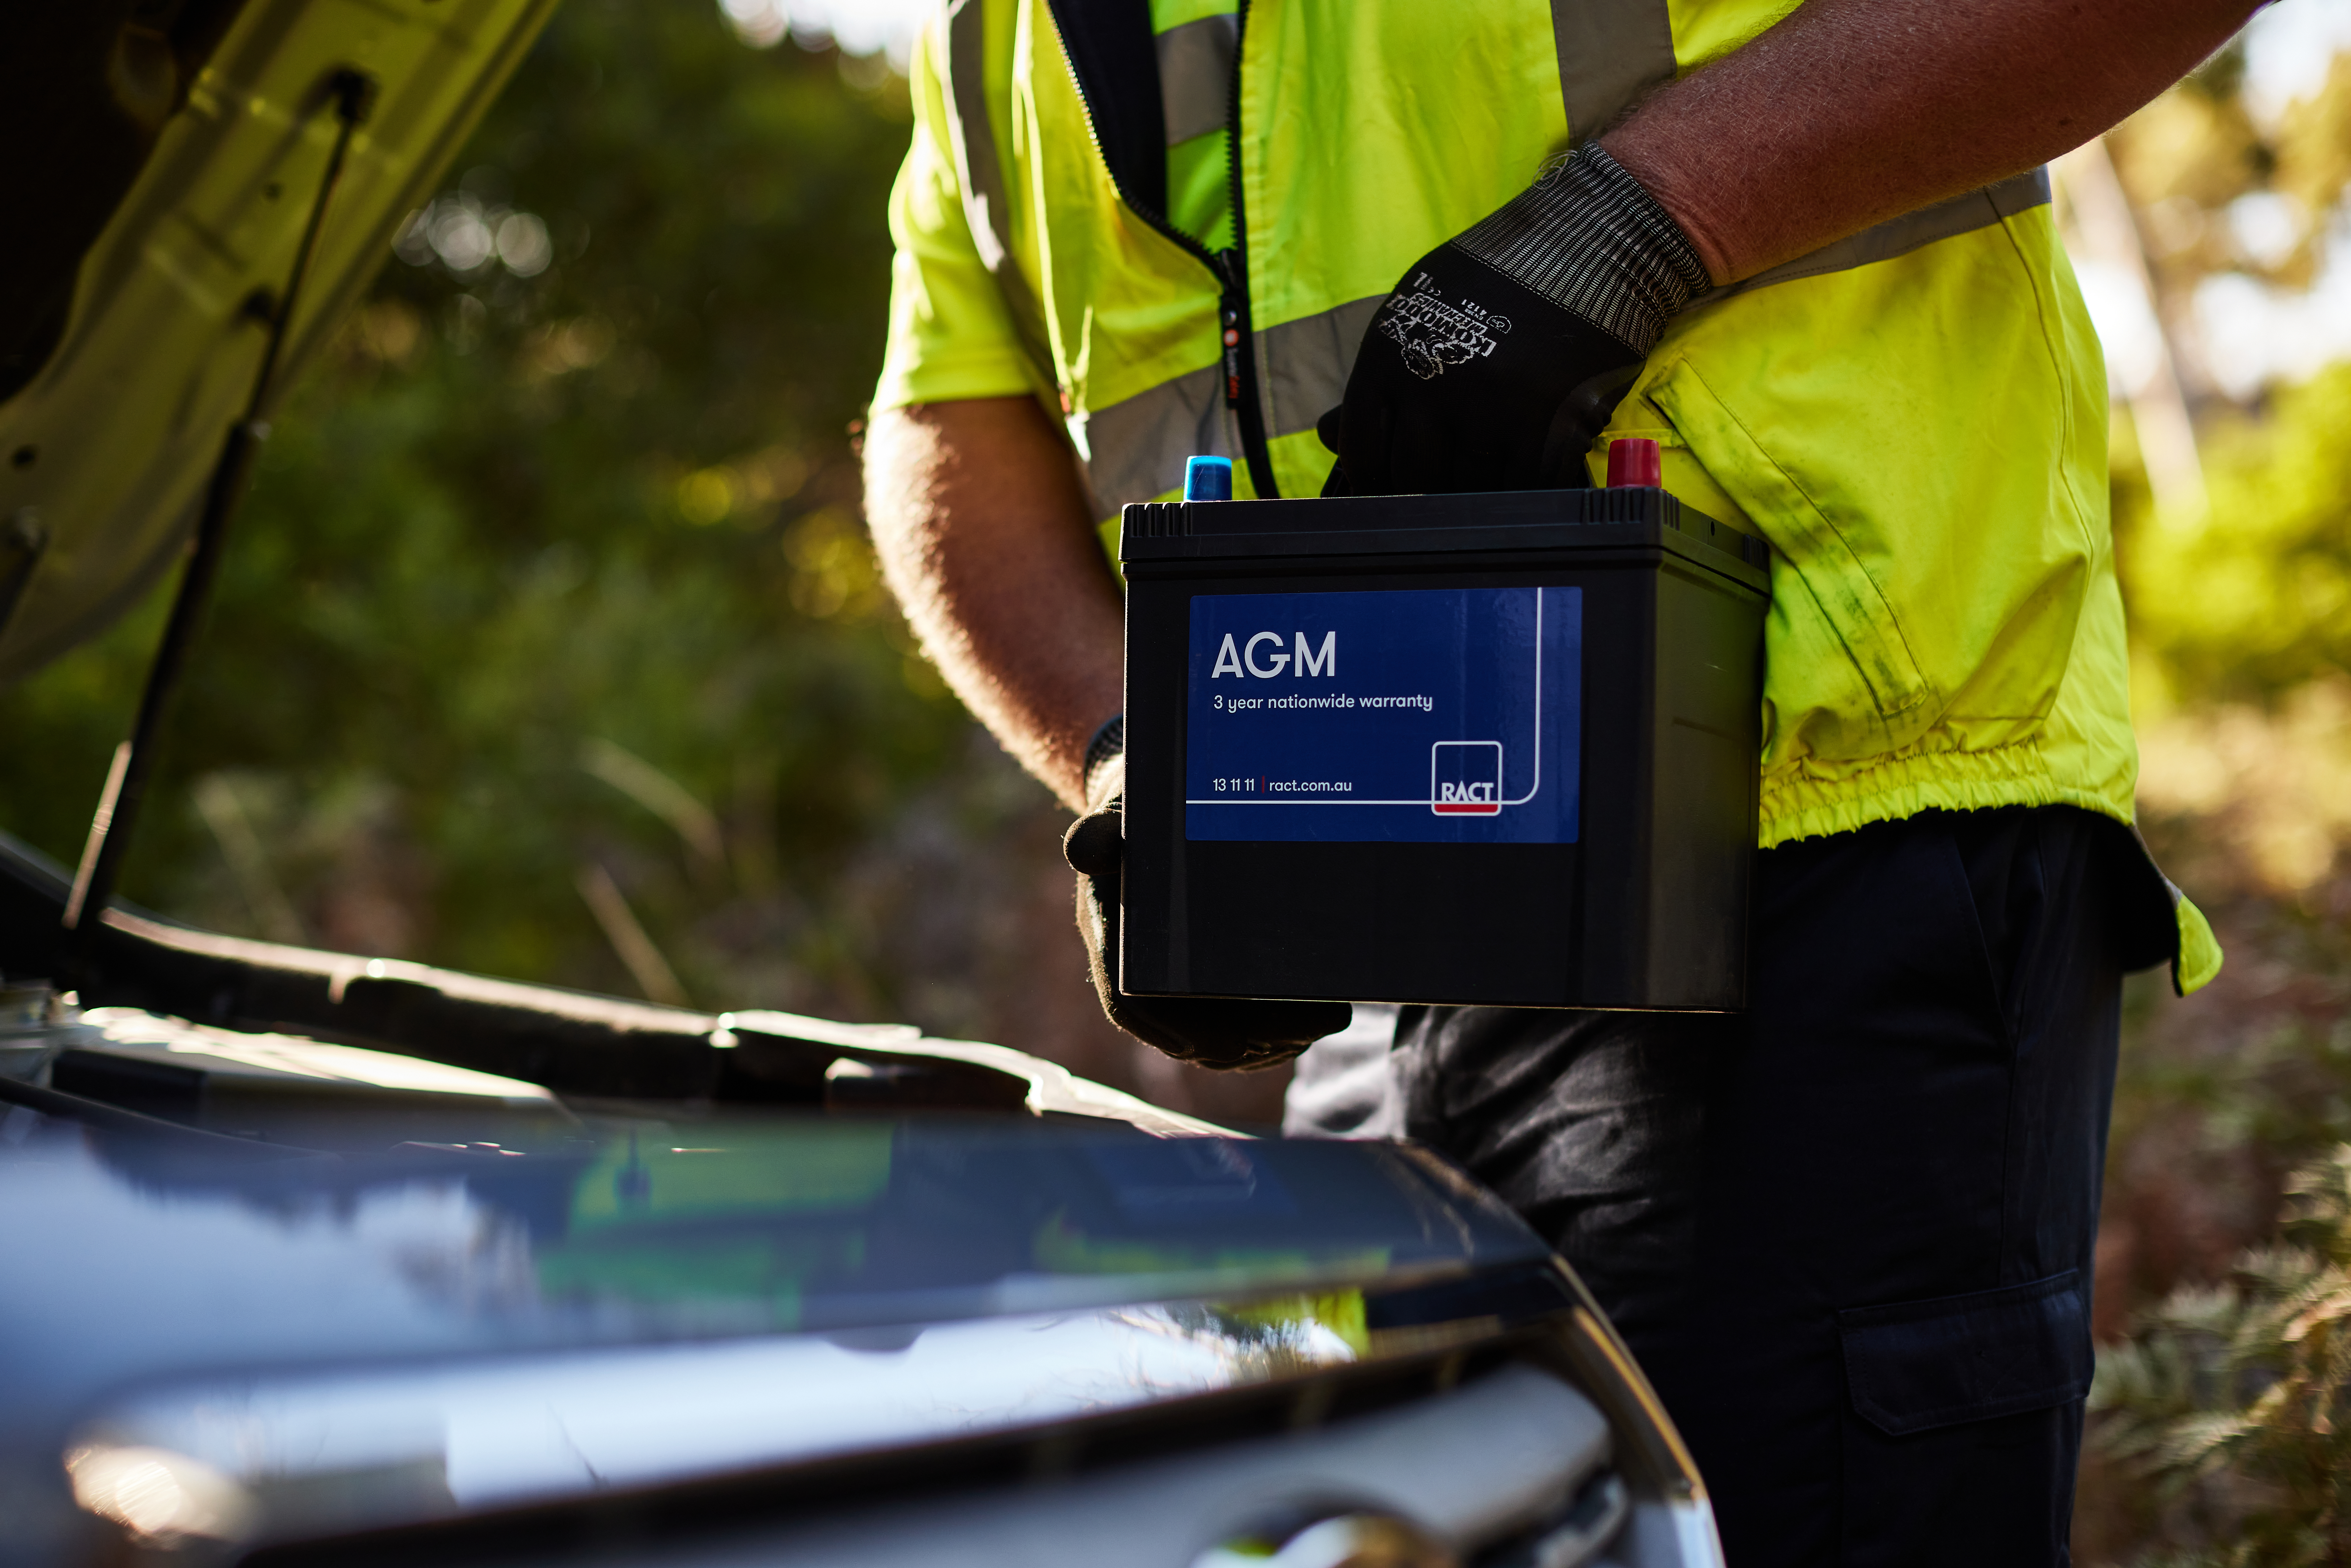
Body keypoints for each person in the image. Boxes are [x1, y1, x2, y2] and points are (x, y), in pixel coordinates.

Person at [861, 1, 2245, 1560]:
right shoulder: (992, 29)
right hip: (1375, 952)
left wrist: (1645, 219)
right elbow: (945, 405)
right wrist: (1133, 752)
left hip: (1819, 842)